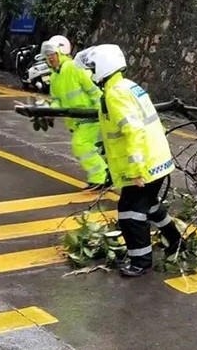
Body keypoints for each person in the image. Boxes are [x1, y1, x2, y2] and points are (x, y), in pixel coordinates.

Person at [74, 44, 184, 277]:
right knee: (148, 204)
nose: (91, 73)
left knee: (130, 214)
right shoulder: (127, 86)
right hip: (156, 160)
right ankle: (175, 240)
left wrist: (135, 170)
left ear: (103, 66)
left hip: (144, 166)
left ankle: (141, 262)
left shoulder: (115, 94)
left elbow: (134, 131)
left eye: (93, 67)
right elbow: (124, 128)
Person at [34, 35, 110, 191]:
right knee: (84, 147)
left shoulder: (74, 68)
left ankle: (101, 177)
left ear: (60, 52)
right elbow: (57, 100)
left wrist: (101, 111)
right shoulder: (55, 76)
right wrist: (49, 110)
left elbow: (94, 90)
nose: (50, 58)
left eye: (52, 54)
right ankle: (102, 175)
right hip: (77, 120)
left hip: (89, 116)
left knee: (81, 145)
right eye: (47, 56)